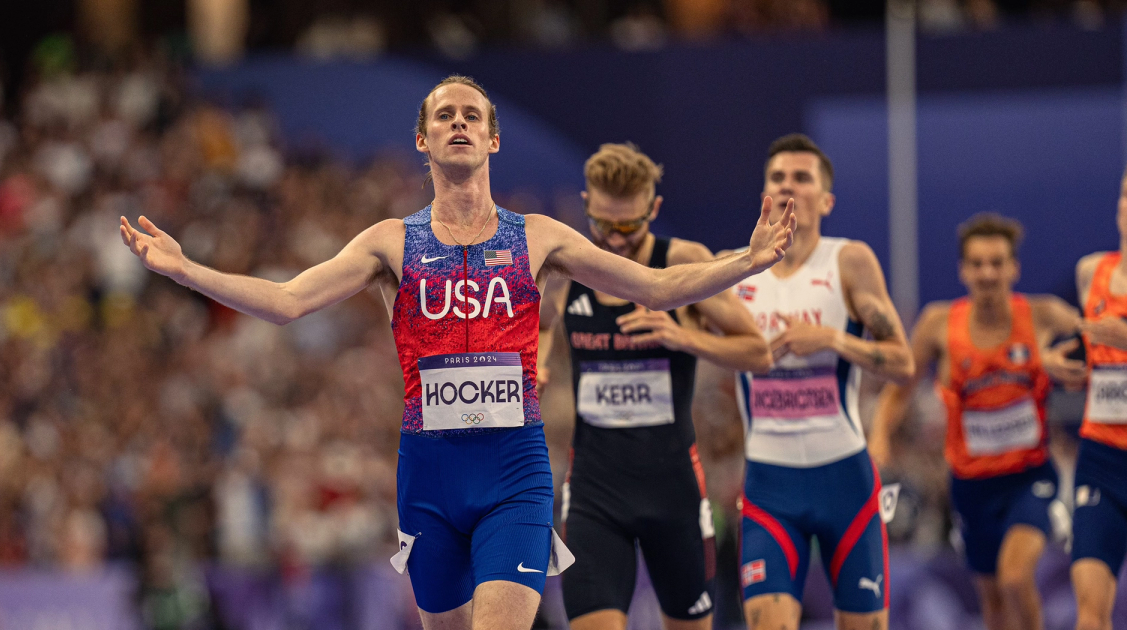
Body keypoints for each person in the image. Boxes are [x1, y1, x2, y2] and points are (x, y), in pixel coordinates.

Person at [119, 75, 796, 630]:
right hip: (430, 478)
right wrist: (187, 272)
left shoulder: (539, 239)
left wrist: (750, 259)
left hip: (516, 476)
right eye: (445, 116)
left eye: (473, 115)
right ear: (423, 139)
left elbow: (655, 285)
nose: (460, 124)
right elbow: (289, 300)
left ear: (493, 138)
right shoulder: (389, 243)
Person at [536, 143, 772, 630]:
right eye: (604, 226)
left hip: (675, 492)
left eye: (629, 226)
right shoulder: (565, 268)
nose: (616, 240)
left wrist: (680, 335)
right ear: (586, 207)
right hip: (594, 493)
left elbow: (758, 351)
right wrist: (534, 368)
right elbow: (539, 329)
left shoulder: (682, 260)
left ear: (654, 210)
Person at [726, 133, 912, 630]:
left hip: (844, 479)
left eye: (802, 178)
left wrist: (833, 338)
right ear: (763, 191)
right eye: (778, 177)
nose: (789, 186)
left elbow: (902, 362)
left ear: (826, 200)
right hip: (769, 481)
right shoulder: (734, 269)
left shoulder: (848, 261)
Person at [870, 213, 1080, 630]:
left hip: (1029, 478)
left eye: (997, 262)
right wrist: (879, 437)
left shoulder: (1043, 316)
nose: (988, 273)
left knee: (1017, 577)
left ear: (1014, 268)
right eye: (978, 263)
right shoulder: (938, 324)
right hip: (970, 487)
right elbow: (899, 389)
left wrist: (1069, 365)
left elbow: (1102, 344)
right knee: (994, 604)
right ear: (963, 269)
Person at [1069, 168, 1127, 630]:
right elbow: (1087, 349)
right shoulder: (1092, 272)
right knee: (1089, 610)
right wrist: (1061, 363)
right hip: (1101, 458)